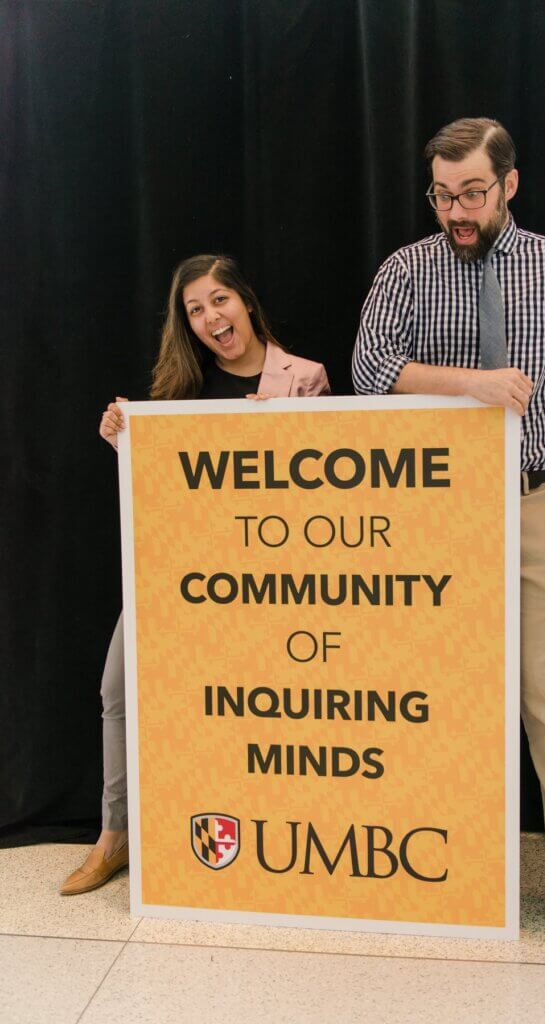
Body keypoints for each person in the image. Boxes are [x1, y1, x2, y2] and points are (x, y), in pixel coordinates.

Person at [352, 118, 545, 974]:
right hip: (432, 514)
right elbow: (371, 367)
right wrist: (469, 383)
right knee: (425, 694)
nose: (455, 210)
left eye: (471, 192)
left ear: (508, 183)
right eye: (441, 194)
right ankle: (430, 865)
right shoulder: (407, 267)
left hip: (538, 501)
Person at [60, 254, 330, 896]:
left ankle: (279, 839)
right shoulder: (179, 390)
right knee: (118, 689)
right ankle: (116, 837)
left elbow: (326, 491)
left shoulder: (306, 378)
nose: (211, 317)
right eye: (195, 310)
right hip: (181, 570)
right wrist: (124, 438)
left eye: (219, 300)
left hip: (268, 584)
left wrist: (283, 433)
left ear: (246, 302)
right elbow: (166, 489)